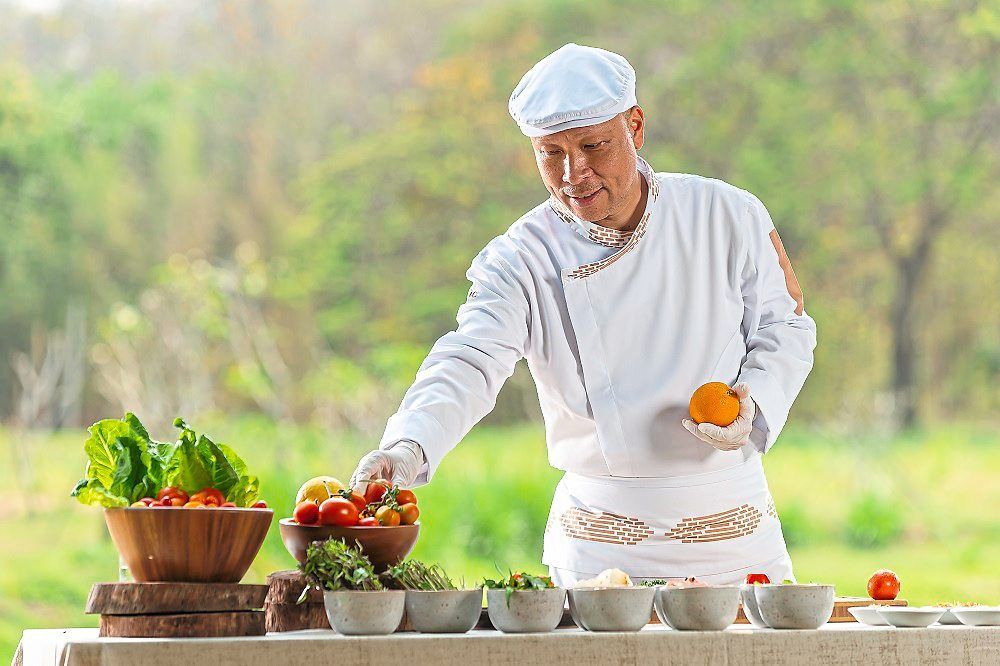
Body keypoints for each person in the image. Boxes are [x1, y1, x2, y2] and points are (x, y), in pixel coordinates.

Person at [349, 43, 816, 586]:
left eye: (594, 146)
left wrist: (751, 406)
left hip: (733, 540)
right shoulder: (522, 256)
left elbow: (786, 327)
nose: (576, 173)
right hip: (599, 550)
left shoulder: (728, 214)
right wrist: (408, 444)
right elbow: (470, 358)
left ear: (636, 127)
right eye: (552, 154)